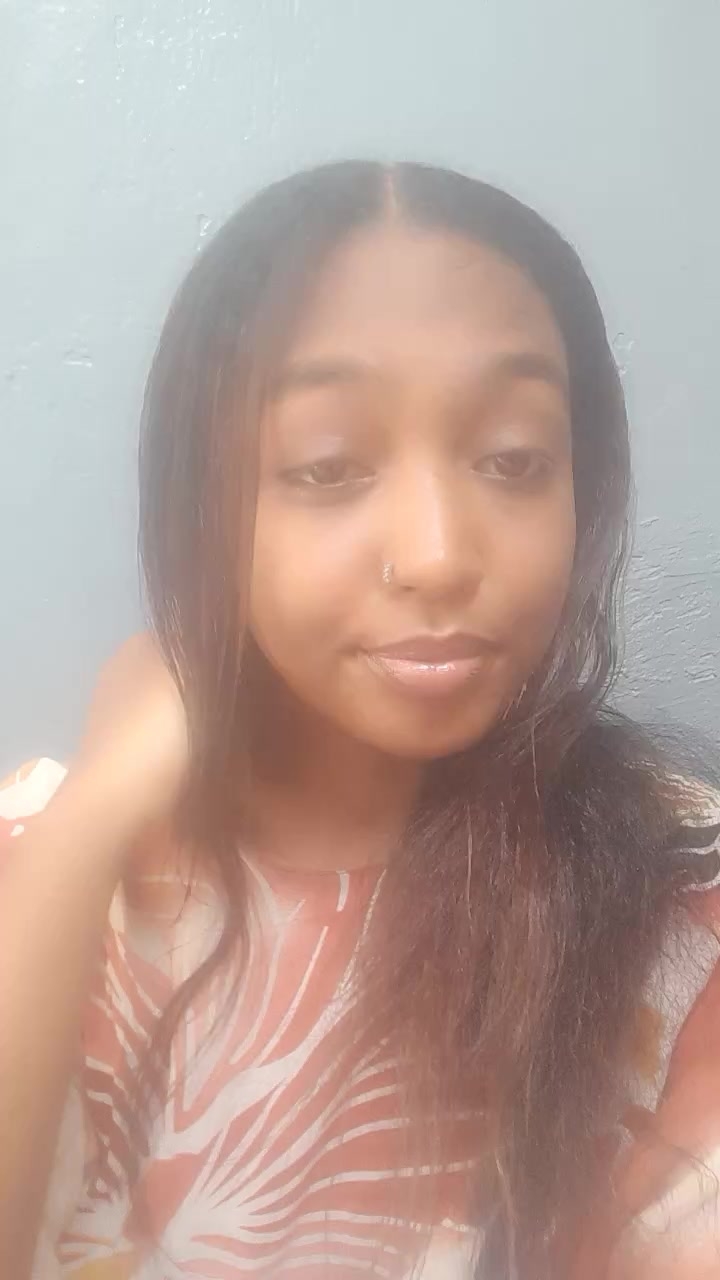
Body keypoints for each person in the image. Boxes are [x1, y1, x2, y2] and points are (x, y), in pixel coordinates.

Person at [1, 161, 719, 1280]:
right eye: (328, 465)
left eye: (514, 459)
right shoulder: (49, 855)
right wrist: (85, 828)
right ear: (206, 501)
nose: (437, 554)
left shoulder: (679, 892)